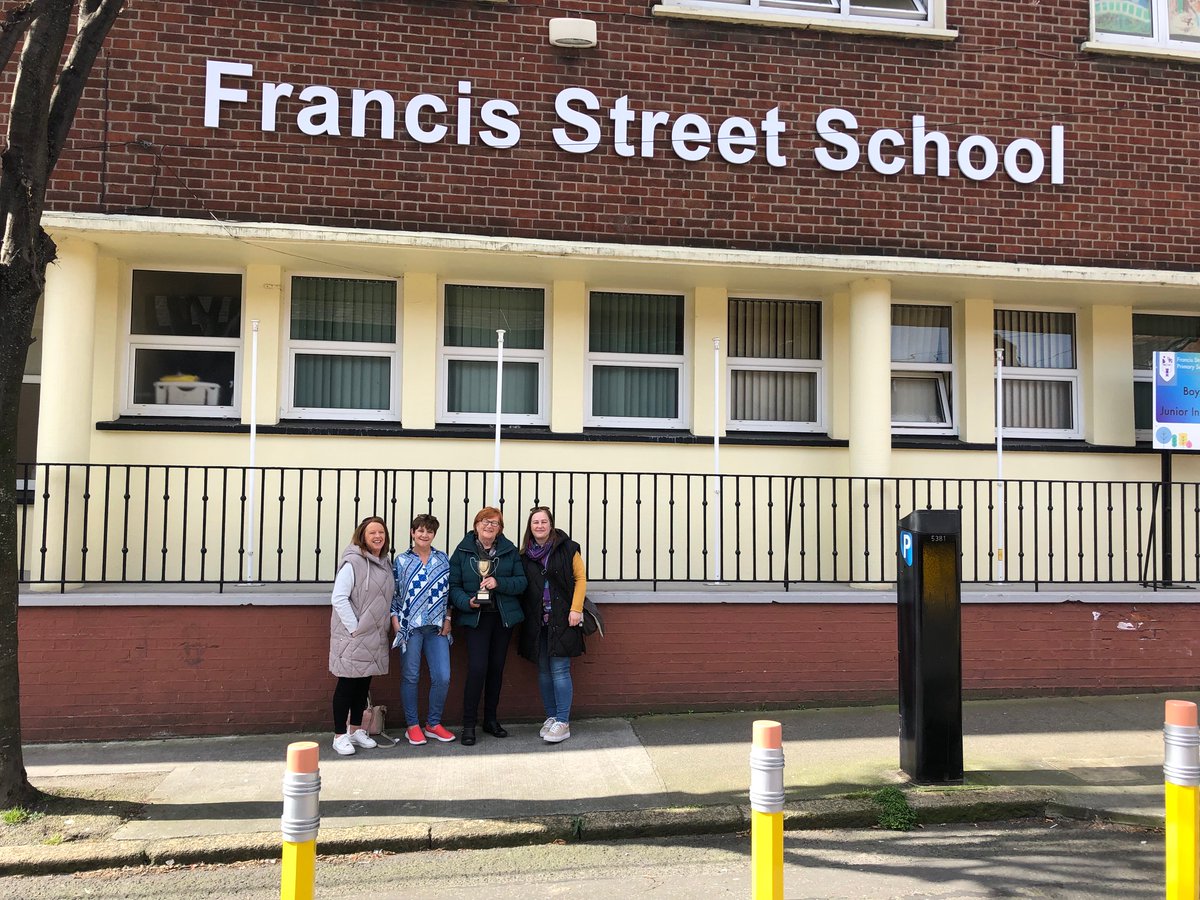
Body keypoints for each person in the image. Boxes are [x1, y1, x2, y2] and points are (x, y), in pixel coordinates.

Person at [449, 506, 526, 746]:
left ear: (500, 528)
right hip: (476, 619)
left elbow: (521, 582)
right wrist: (467, 602)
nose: (489, 526)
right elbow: (453, 586)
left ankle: (491, 720)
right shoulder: (462, 550)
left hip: (502, 619)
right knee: (477, 669)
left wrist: (498, 582)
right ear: (476, 525)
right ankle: (469, 724)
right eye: (485, 522)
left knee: (496, 669)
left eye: (494, 523)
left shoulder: (509, 550)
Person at [517, 506, 587, 744]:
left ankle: (563, 722)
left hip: (563, 619)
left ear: (551, 524)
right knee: (544, 672)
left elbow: (580, 578)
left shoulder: (568, 548)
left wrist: (576, 609)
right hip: (538, 622)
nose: (539, 526)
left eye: (543, 522)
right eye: (535, 522)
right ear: (530, 526)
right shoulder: (525, 553)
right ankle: (551, 717)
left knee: (559, 670)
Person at [328, 515, 393, 756]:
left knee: (363, 683)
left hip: (374, 635)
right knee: (347, 685)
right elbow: (339, 598)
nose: (378, 536)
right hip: (354, 636)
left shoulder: (384, 563)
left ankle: (356, 730)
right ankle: (339, 735)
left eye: (381, 533)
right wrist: (355, 628)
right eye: (372, 533)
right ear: (362, 536)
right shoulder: (352, 563)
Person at [392, 514, 455, 746]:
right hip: (410, 628)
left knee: (442, 676)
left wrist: (448, 617)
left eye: (429, 531)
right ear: (412, 532)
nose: (424, 534)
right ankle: (412, 725)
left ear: (434, 535)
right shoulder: (401, 561)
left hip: (437, 627)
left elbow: (449, 592)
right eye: (419, 530)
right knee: (411, 676)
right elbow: (394, 594)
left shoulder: (443, 559)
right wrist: (395, 621)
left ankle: (433, 723)